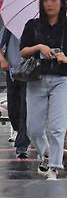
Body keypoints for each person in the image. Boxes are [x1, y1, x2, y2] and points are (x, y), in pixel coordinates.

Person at [20, 0, 67, 180]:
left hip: (62, 81)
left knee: (57, 128)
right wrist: (39, 46)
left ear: (61, 2)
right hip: (36, 79)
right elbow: (23, 50)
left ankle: (54, 168)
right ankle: (48, 154)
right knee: (33, 128)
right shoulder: (32, 25)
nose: (48, 3)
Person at [0, 27, 30, 159]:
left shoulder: (39, 25)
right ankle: (19, 131)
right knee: (13, 111)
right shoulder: (11, 25)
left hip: (30, 73)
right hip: (12, 72)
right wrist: (2, 60)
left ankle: (22, 145)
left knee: (25, 110)